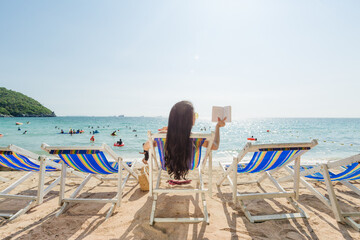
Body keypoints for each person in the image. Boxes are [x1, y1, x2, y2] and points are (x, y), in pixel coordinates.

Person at [142, 101, 226, 180]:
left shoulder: (161, 137)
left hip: (167, 166)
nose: (196, 118)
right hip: (191, 166)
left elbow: (146, 146)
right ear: (190, 120)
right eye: (195, 115)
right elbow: (215, 146)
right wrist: (217, 127)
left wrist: (165, 132)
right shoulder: (197, 138)